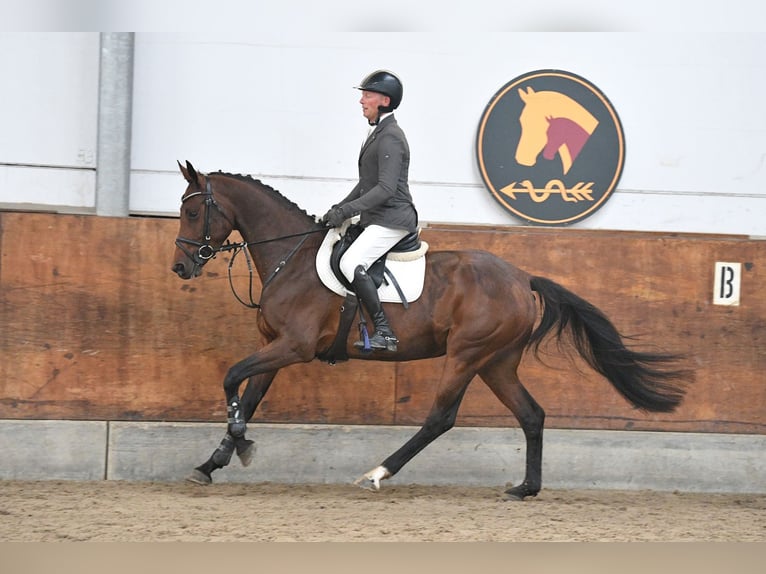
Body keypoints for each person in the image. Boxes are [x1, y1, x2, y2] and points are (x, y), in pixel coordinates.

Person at [321, 70, 418, 352]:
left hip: (392, 218)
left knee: (350, 262)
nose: (361, 101)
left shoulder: (391, 137)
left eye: (367, 95)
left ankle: (384, 330)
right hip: (378, 217)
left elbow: (386, 189)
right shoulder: (377, 133)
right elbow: (366, 184)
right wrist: (340, 209)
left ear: (384, 100)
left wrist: (348, 210)